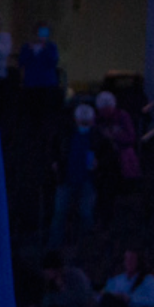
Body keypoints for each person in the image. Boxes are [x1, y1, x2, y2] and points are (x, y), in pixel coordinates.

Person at [50, 103, 101, 248]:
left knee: (86, 214)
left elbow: (106, 154)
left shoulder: (97, 136)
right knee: (60, 214)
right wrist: (55, 162)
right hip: (66, 179)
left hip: (88, 180)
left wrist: (99, 163)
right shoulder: (65, 134)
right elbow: (54, 148)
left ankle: (87, 247)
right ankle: (54, 248)